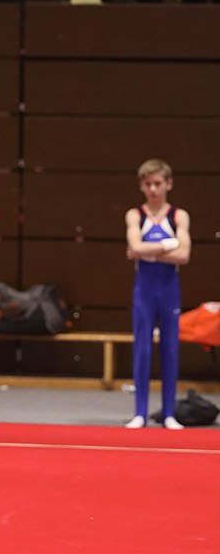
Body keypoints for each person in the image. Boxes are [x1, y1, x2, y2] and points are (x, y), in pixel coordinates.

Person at [124, 159, 191, 429]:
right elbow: (133, 245)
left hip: (169, 291)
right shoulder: (134, 215)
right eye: (148, 184)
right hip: (144, 291)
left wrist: (145, 251)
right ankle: (140, 412)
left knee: (170, 349)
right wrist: (168, 244)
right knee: (141, 349)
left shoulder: (179, 216)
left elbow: (184, 255)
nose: (153, 189)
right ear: (142, 186)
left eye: (158, 183)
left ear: (168, 184)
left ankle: (169, 414)